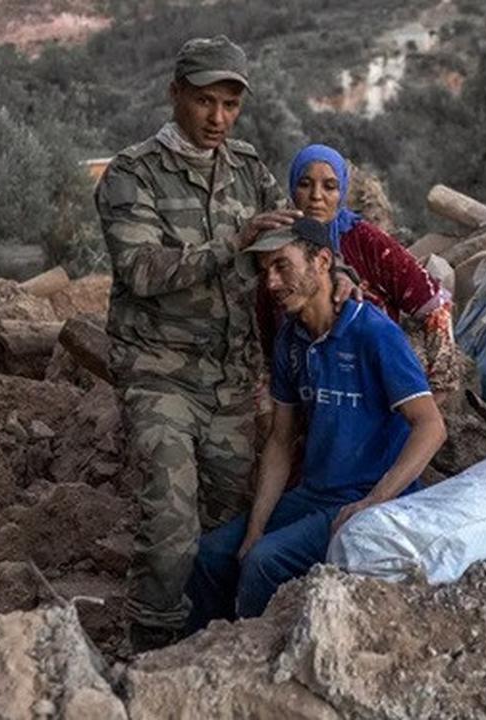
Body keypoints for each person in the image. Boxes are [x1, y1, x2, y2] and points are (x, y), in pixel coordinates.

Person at [95, 35, 303, 652]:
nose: (217, 119)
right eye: (205, 102)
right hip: (159, 371)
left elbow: (285, 244)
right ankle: (150, 647)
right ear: (175, 95)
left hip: (232, 377)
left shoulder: (248, 168)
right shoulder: (133, 174)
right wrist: (232, 244)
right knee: (170, 516)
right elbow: (142, 271)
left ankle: (208, 638)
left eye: (230, 106)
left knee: (228, 520)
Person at [187, 218, 447, 628]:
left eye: (282, 266)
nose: (271, 283)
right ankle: (195, 658)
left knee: (262, 562)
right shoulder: (292, 339)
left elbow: (431, 426)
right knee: (212, 554)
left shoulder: (373, 332)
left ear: (322, 261)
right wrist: (255, 526)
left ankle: (249, 661)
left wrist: (374, 502)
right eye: (265, 271)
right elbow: (280, 441)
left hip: (363, 497)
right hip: (313, 494)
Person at [259, 144, 461, 404]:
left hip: (370, 384)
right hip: (305, 387)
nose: (316, 196)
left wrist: (438, 389)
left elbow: (433, 303)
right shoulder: (279, 243)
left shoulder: (364, 240)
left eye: (329, 187)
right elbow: (266, 324)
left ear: (341, 191)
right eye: (305, 184)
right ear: (292, 188)